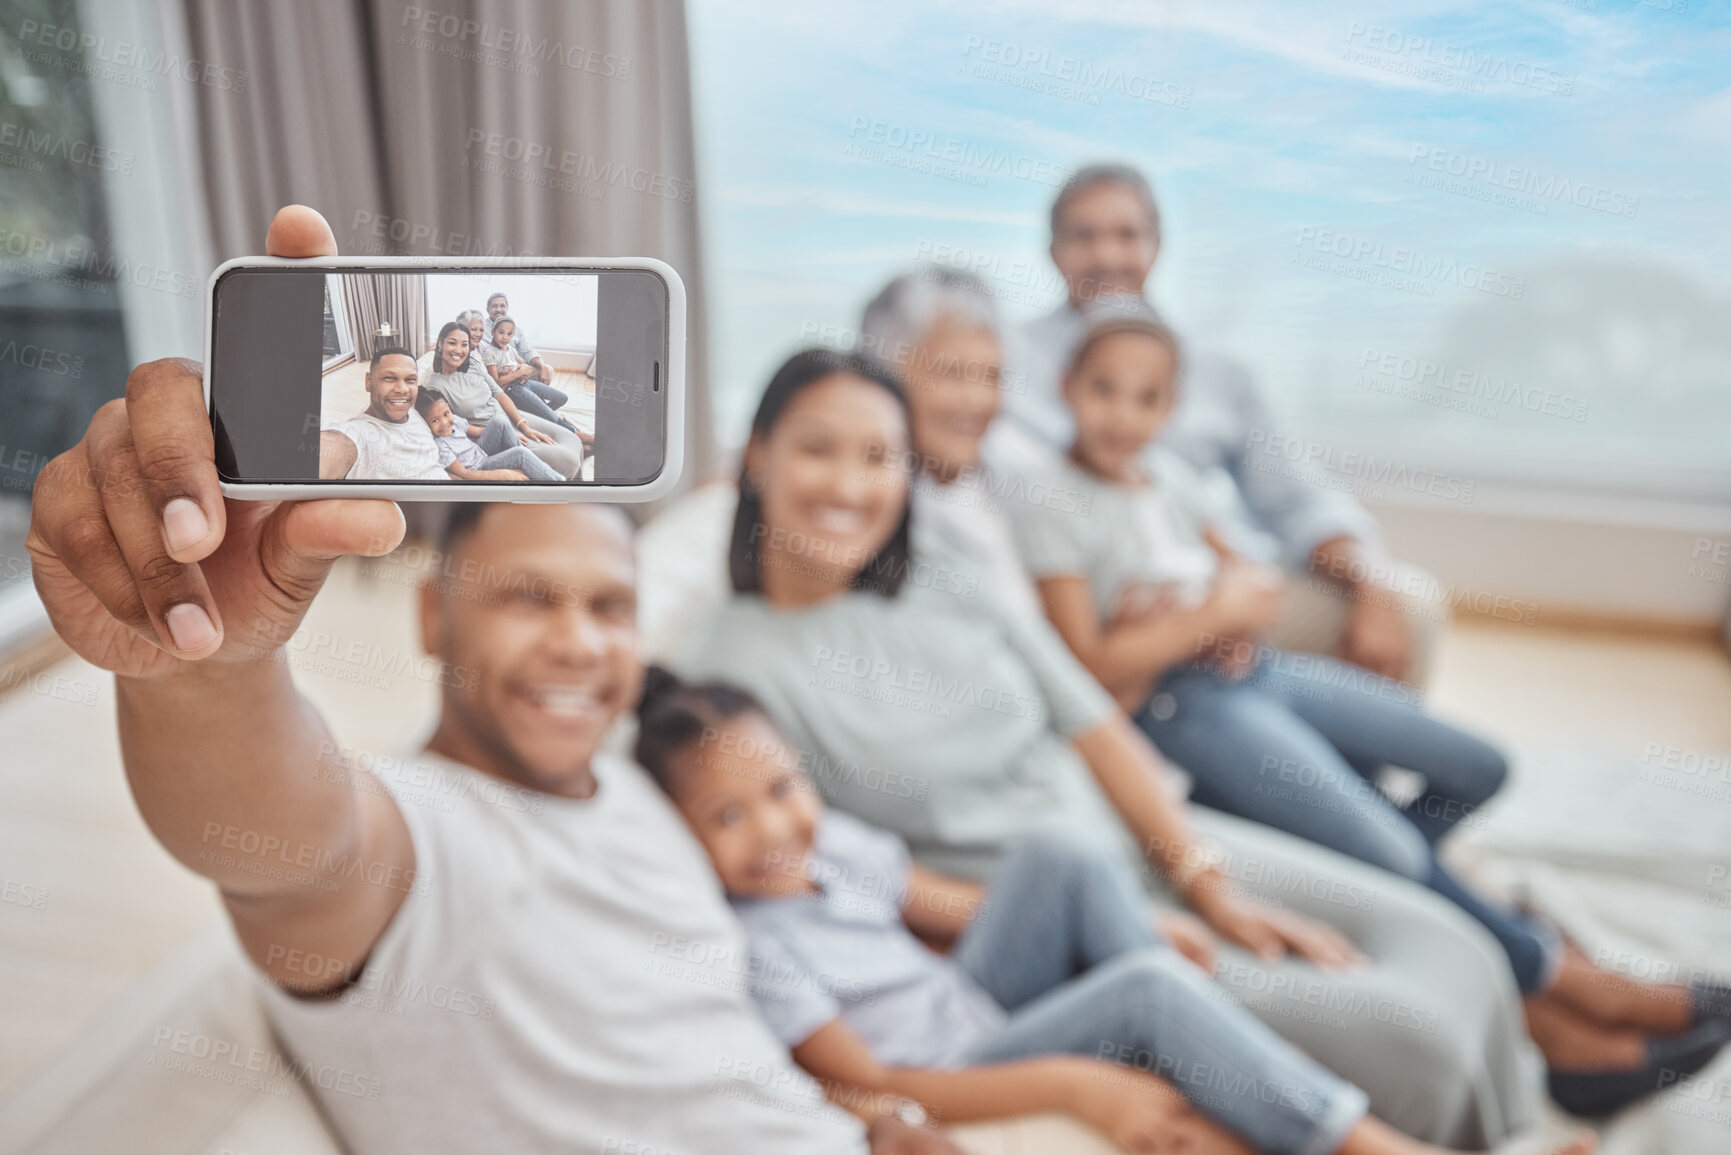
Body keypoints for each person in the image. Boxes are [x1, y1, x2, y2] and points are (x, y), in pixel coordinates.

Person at [23, 205, 961, 1155]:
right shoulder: (418, 831)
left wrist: (882, 1126)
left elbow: (727, 1045)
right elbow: (282, 843)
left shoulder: (646, 789)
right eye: (526, 597)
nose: (577, 642)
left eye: (609, 608)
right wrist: (211, 666)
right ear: (433, 616)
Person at [673, 346, 1548, 1150]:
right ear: (756, 455)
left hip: (1128, 843)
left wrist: (1203, 876)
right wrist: (1122, 937)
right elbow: (816, 895)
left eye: (879, 456)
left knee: (1460, 955)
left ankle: (1554, 1082)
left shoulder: (935, 567)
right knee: (1416, 1044)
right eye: (818, 449)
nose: (850, 486)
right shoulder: (727, 676)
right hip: (1040, 938)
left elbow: (1089, 717)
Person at [1011, 302, 1731, 1116]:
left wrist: (1220, 614)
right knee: (1388, 850)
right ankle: (1558, 988)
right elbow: (1086, 667)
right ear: (1064, 388)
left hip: (1253, 673)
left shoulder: (1173, 479)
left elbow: (1253, 581)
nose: (1121, 415)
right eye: (1102, 390)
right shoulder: (1050, 502)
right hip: (1181, 712)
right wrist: (1207, 617)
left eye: (1146, 398)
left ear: (1171, 408)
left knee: (1479, 767)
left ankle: (1463, 926)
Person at [635, 667, 1597, 1155]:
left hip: (973, 998)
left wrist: (1124, 914)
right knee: (1139, 986)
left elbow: (955, 905)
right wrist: (1064, 1080)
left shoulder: (827, 844)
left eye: (781, 787)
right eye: (726, 815)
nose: (773, 826)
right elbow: (880, 1079)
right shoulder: (753, 946)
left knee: (1062, 849)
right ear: (680, 839)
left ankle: (1171, 1018)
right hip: (959, 1056)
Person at [996, 163, 1435, 685]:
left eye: (1127, 235)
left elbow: (1299, 500)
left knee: (1414, 608)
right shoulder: (1002, 363)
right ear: (1053, 251)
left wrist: (1373, 584)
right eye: (1083, 236)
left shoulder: (1219, 372)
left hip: (1212, 590)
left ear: (1157, 246)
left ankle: (1358, 759)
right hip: (1085, 605)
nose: (1107, 255)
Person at [421, 320, 584, 480]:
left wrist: (522, 425)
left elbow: (499, 394)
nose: (459, 350)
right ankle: (564, 491)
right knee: (568, 461)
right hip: (490, 435)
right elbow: (449, 429)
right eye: (452, 343)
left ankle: (578, 478)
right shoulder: (435, 387)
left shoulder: (474, 365)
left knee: (572, 439)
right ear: (440, 344)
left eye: (464, 344)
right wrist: (505, 437)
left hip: (505, 418)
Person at [318, 346, 446, 481]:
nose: (402, 389)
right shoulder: (357, 434)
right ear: (368, 382)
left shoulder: (414, 409)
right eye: (389, 378)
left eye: (410, 380)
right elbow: (329, 450)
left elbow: (424, 366)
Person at [412, 387, 562, 482]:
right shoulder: (440, 446)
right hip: (479, 467)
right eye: (435, 420)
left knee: (500, 421)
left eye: (446, 414)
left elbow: (478, 431)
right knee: (520, 454)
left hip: (480, 450)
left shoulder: (455, 421)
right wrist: (503, 474)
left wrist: (512, 435)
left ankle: (534, 465)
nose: (444, 422)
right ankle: (560, 484)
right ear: (425, 423)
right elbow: (465, 473)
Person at [481, 315, 585, 440]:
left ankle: (540, 417)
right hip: (513, 390)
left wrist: (523, 372)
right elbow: (496, 383)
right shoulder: (489, 353)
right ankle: (576, 434)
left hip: (525, 383)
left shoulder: (511, 350)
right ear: (493, 332)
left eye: (509, 334)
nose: (505, 337)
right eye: (501, 332)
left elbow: (526, 367)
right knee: (551, 416)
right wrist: (518, 373)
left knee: (562, 398)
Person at [485, 291, 554, 385]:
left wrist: (542, 366)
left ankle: (531, 393)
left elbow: (528, 351)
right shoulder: (481, 328)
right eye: (494, 306)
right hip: (498, 372)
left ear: (507, 308)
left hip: (517, 367)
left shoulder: (516, 329)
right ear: (488, 309)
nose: (499, 309)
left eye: (502, 306)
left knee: (548, 370)